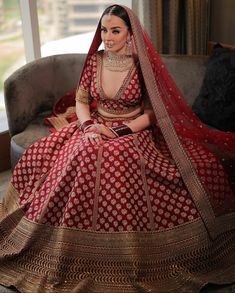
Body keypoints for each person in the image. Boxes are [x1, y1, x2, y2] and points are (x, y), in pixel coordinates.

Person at [0, 4, 235, 293]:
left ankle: (123, 255)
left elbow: (151, 114)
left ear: (130, 33)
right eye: (103, 30)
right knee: (77, 153)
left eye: (115, 30)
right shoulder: (95, 62)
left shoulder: (141, 65)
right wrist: (87, 128)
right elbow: (82, 102)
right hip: (95, 125)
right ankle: (65, 246)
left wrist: (119, 131)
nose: (107, 37)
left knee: (117, 158)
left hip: (132, 131)